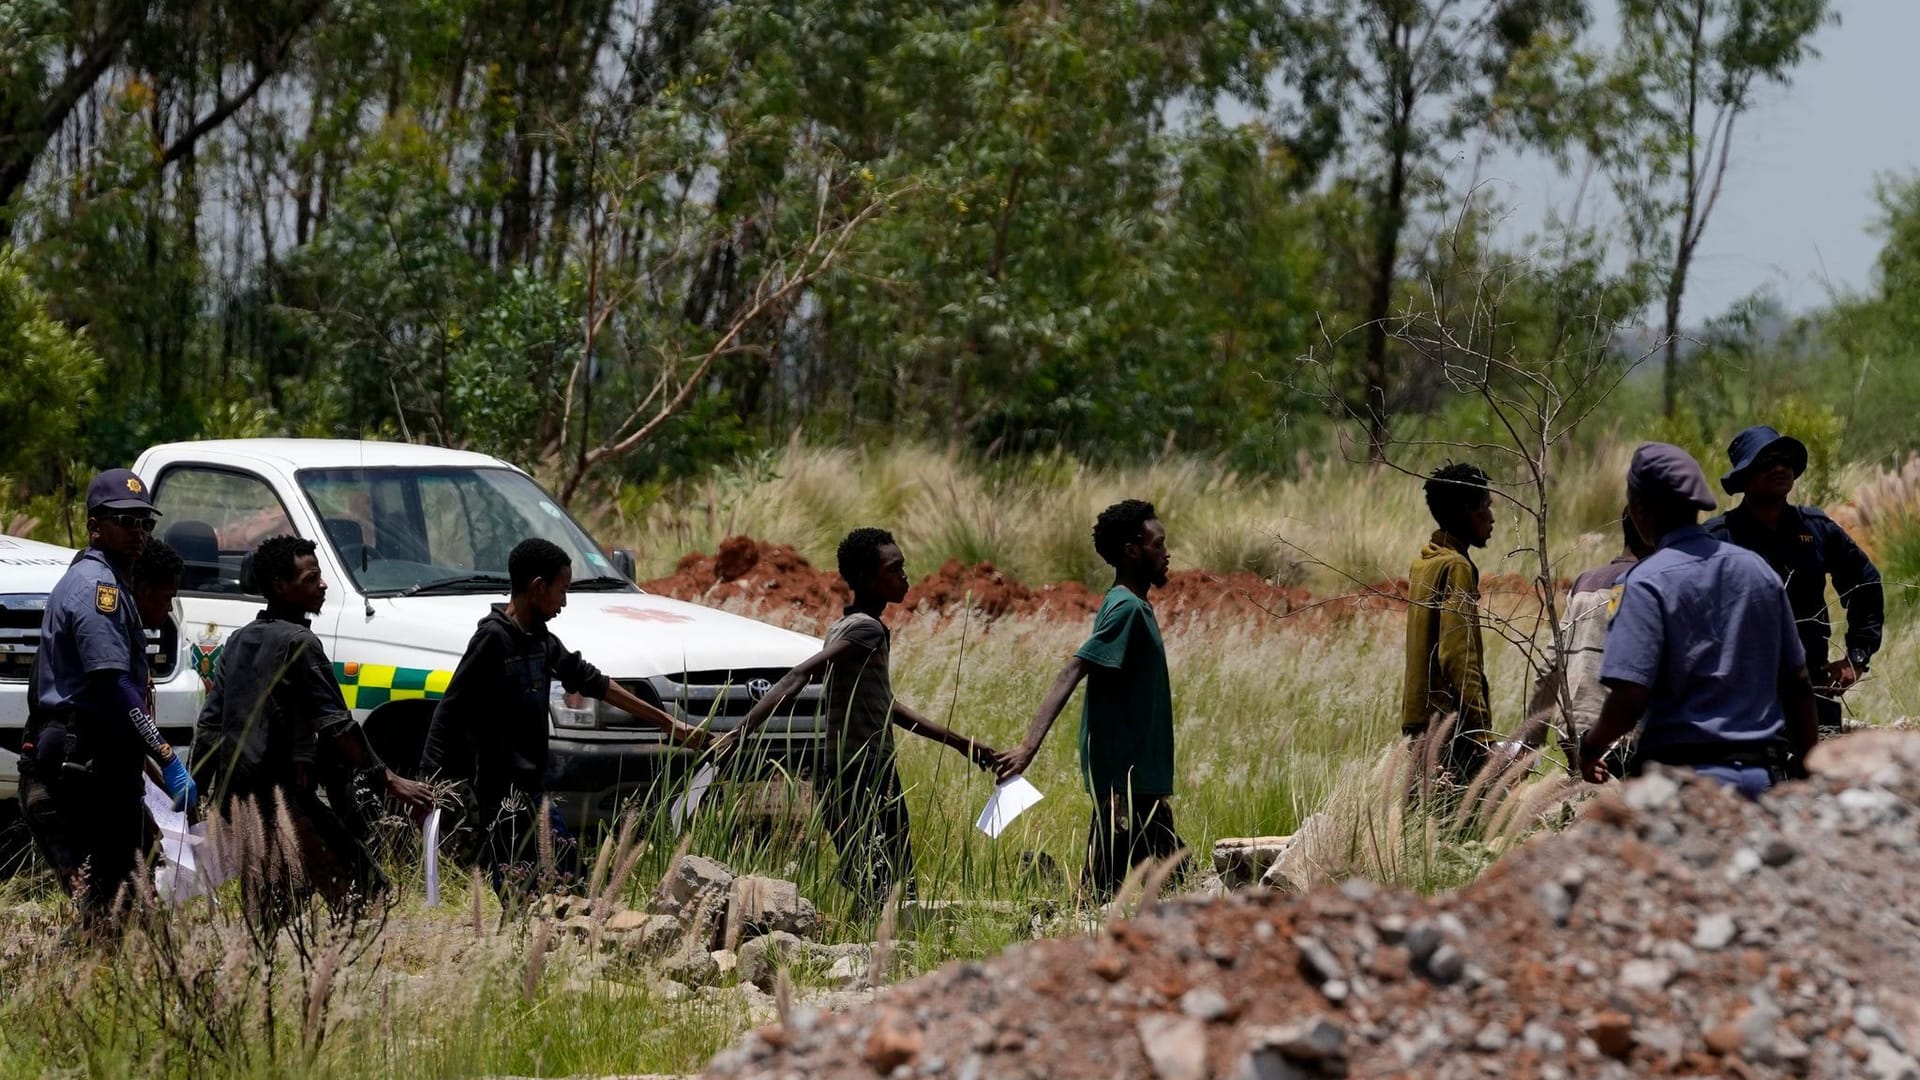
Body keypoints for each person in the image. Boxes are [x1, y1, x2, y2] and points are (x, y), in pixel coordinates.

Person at [717, 528, 998, 909]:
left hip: (852, 771)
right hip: (863, 774)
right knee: (892, 886)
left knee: (877, 882)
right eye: (893, 569)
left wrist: (962, 744)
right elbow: (797, 675)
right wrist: (738, 733)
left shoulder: (849, 626)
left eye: (902, 567)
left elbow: (889, 708)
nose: (904, 576)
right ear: (867, 579)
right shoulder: (864, 629)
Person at [420, 538, 711, 899]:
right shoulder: (492, 640)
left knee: (572, 885)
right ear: (538, 587)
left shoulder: (541, 640)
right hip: (500, 801)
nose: (564, 602)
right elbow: (450, 711)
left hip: (536, 791)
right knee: (523, 895)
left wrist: (670, 724)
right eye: (562, 591)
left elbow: (595, 682)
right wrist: (430, 785)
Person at [192, 535, 433, 913]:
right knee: (364, 893)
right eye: (310, 579)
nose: (322, 585)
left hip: (241, 800)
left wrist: (199, 795)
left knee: (271, 907)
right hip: (285, 799)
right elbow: (338, 726)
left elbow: (208, 727)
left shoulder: (239, 640)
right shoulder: (300, 643)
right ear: (279, 586)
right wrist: (390, 780)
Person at [1579, 443, 1819, 799]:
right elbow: (1797, 683)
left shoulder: (1644, 583)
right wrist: (1805, 771)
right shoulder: (1758, 572)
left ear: (1640, 510)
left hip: (1681, 786)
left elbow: (1630, 696)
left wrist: (1591, 745)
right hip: (1759, 781)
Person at [18, 469, 194, 928]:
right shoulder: (101, 592)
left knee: (122, 898)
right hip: (86, 762)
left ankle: (102, 977)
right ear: (96, 525)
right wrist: (167, 755)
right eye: (125, 520)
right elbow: (113, 686)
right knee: (111, 900)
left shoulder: (101, 580)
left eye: (144, 522)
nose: (137, 532)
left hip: (93, 757)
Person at [994, 500, 1179, 900]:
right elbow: (1072, 670)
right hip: (1126, 785)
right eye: (1158, 544)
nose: (1166, 553)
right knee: (1130, 890)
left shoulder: (1132, 605)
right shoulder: (1126, 607)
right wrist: (1027, 748)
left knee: (1140, 884)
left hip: (1135, 782)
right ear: (1133, 551)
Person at [1707, 425, 1883, 736]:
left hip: (1810, 689)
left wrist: (1857, 656)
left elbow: (1865, 583)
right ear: (1745, 476)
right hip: (1735, 698)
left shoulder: (1816, 530)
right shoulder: (1718, 539)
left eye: (1785, 459)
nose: (1778, 467)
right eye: (1765, 461)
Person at [1523, 508, 1653, 770]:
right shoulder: (1651, 583)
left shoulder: (1585, 582)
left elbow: (1550, 664)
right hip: (1622, 731)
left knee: (1584, 805)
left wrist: (1531, 742)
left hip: (1574, 724)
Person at [1401, 461, 1496, 787]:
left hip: (1420, 723)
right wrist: (1481, 731)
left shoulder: (1425, 561)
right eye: (1486, 506)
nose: (1492, 517)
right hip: (1451, 728)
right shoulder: (1456, 567)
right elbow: (1459, 655)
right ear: (1465, 511)